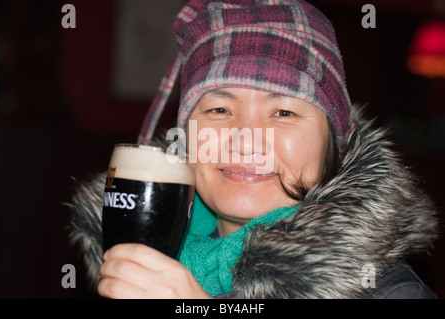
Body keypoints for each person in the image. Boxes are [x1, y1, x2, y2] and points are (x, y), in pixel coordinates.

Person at [69, 0, 439, 299]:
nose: (245, 140)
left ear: (336, 144)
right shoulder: (127, 262)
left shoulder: (391, 290)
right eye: (218, 109)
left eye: (283, 111)